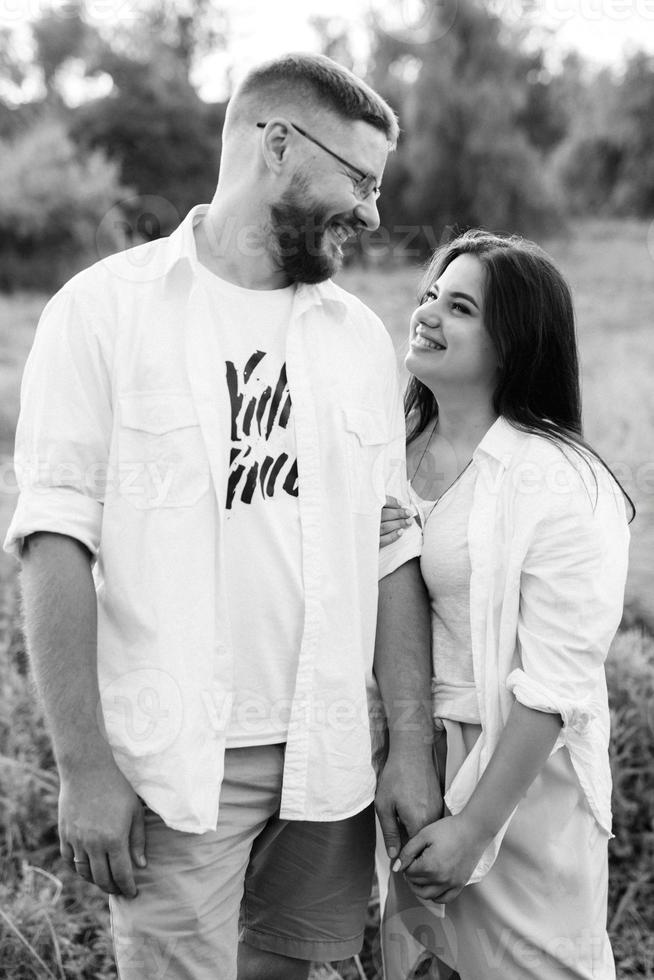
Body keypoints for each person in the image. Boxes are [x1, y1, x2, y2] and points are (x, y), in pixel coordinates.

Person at [4, 54, 441, 980]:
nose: (371, 211)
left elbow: (390, 545)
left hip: (328, 755)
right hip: (174, 763)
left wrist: (408, 747)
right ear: (276, 144)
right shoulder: (101, 313)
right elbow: (52, 541)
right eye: (360, 179)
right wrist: (84, 766)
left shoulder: (358, 338)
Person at [378, 230, 631, 980]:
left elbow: (559, 684)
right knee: (422, 969)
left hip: (520, 774)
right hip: (411, 754)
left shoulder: (564, 483)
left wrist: (477, 827)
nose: (426, 314)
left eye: (459, 307)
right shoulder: (389, 450)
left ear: (513, 344)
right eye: (430, 294)